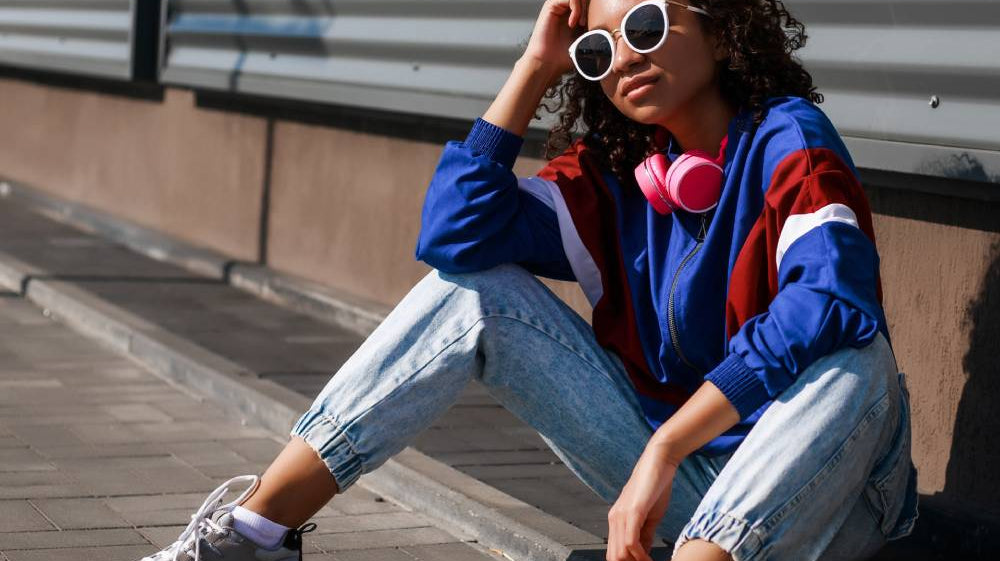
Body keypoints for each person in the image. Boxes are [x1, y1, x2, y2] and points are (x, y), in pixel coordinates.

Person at [139, 1, 920, 560]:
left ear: (718, 27)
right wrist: (535, 65)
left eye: (645, 25)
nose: (626, 56)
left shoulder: (789, 140)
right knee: (470, 292)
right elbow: (455, 236)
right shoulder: (621, 181)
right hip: (688, 498)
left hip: (829, 493)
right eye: (599, 51)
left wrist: (666, 450)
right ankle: (249, 539)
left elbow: (830, 301)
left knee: (856, 356)